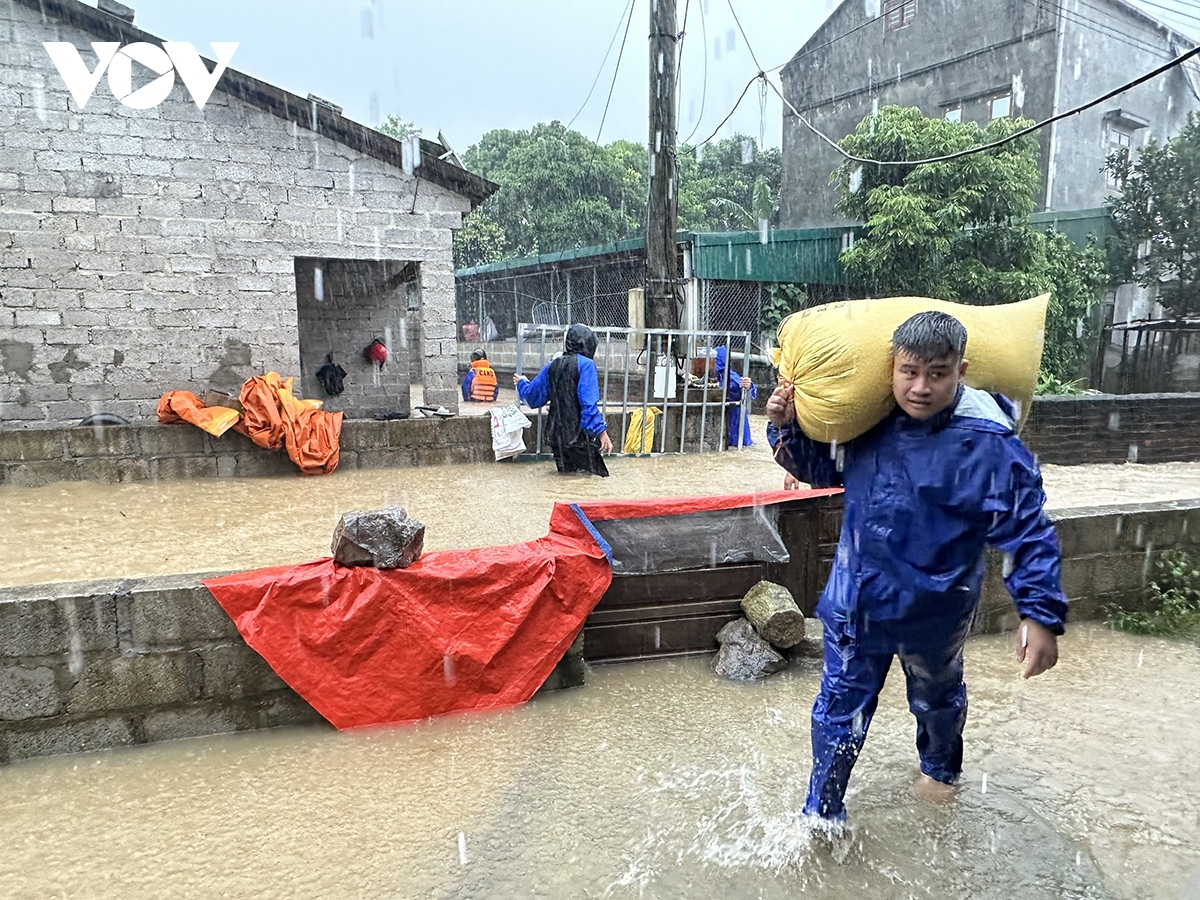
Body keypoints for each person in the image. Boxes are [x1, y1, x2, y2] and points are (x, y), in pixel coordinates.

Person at [765, 310, 1066, 823]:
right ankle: (822, 811)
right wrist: (785, 427)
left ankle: (940, 774)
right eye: (909, 372)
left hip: (936, 610)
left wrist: (1038, 614)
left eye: (937, 373)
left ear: (961, 371)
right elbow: (819, 468)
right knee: (839, 712)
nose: (920, 387)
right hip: (858, 605)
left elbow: (1027, 528)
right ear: (891, 370)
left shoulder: (986, 442)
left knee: (938, 702)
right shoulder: (868, 424)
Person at [514, 324, 613, 476]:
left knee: (567, 477)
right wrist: (601, 432)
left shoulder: (553, 365)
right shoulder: (586, 365)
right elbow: (588, 404)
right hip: (579, 436)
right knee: (596, 479)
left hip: (556, 437)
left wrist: (522, 382)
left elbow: (533, 398)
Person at [714, 346, 757, 447]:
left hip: (735, 415)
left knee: (737, 443)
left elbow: (745, 386)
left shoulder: (730, 376)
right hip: (728, 414)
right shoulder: (716, 374)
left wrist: (748, 385)